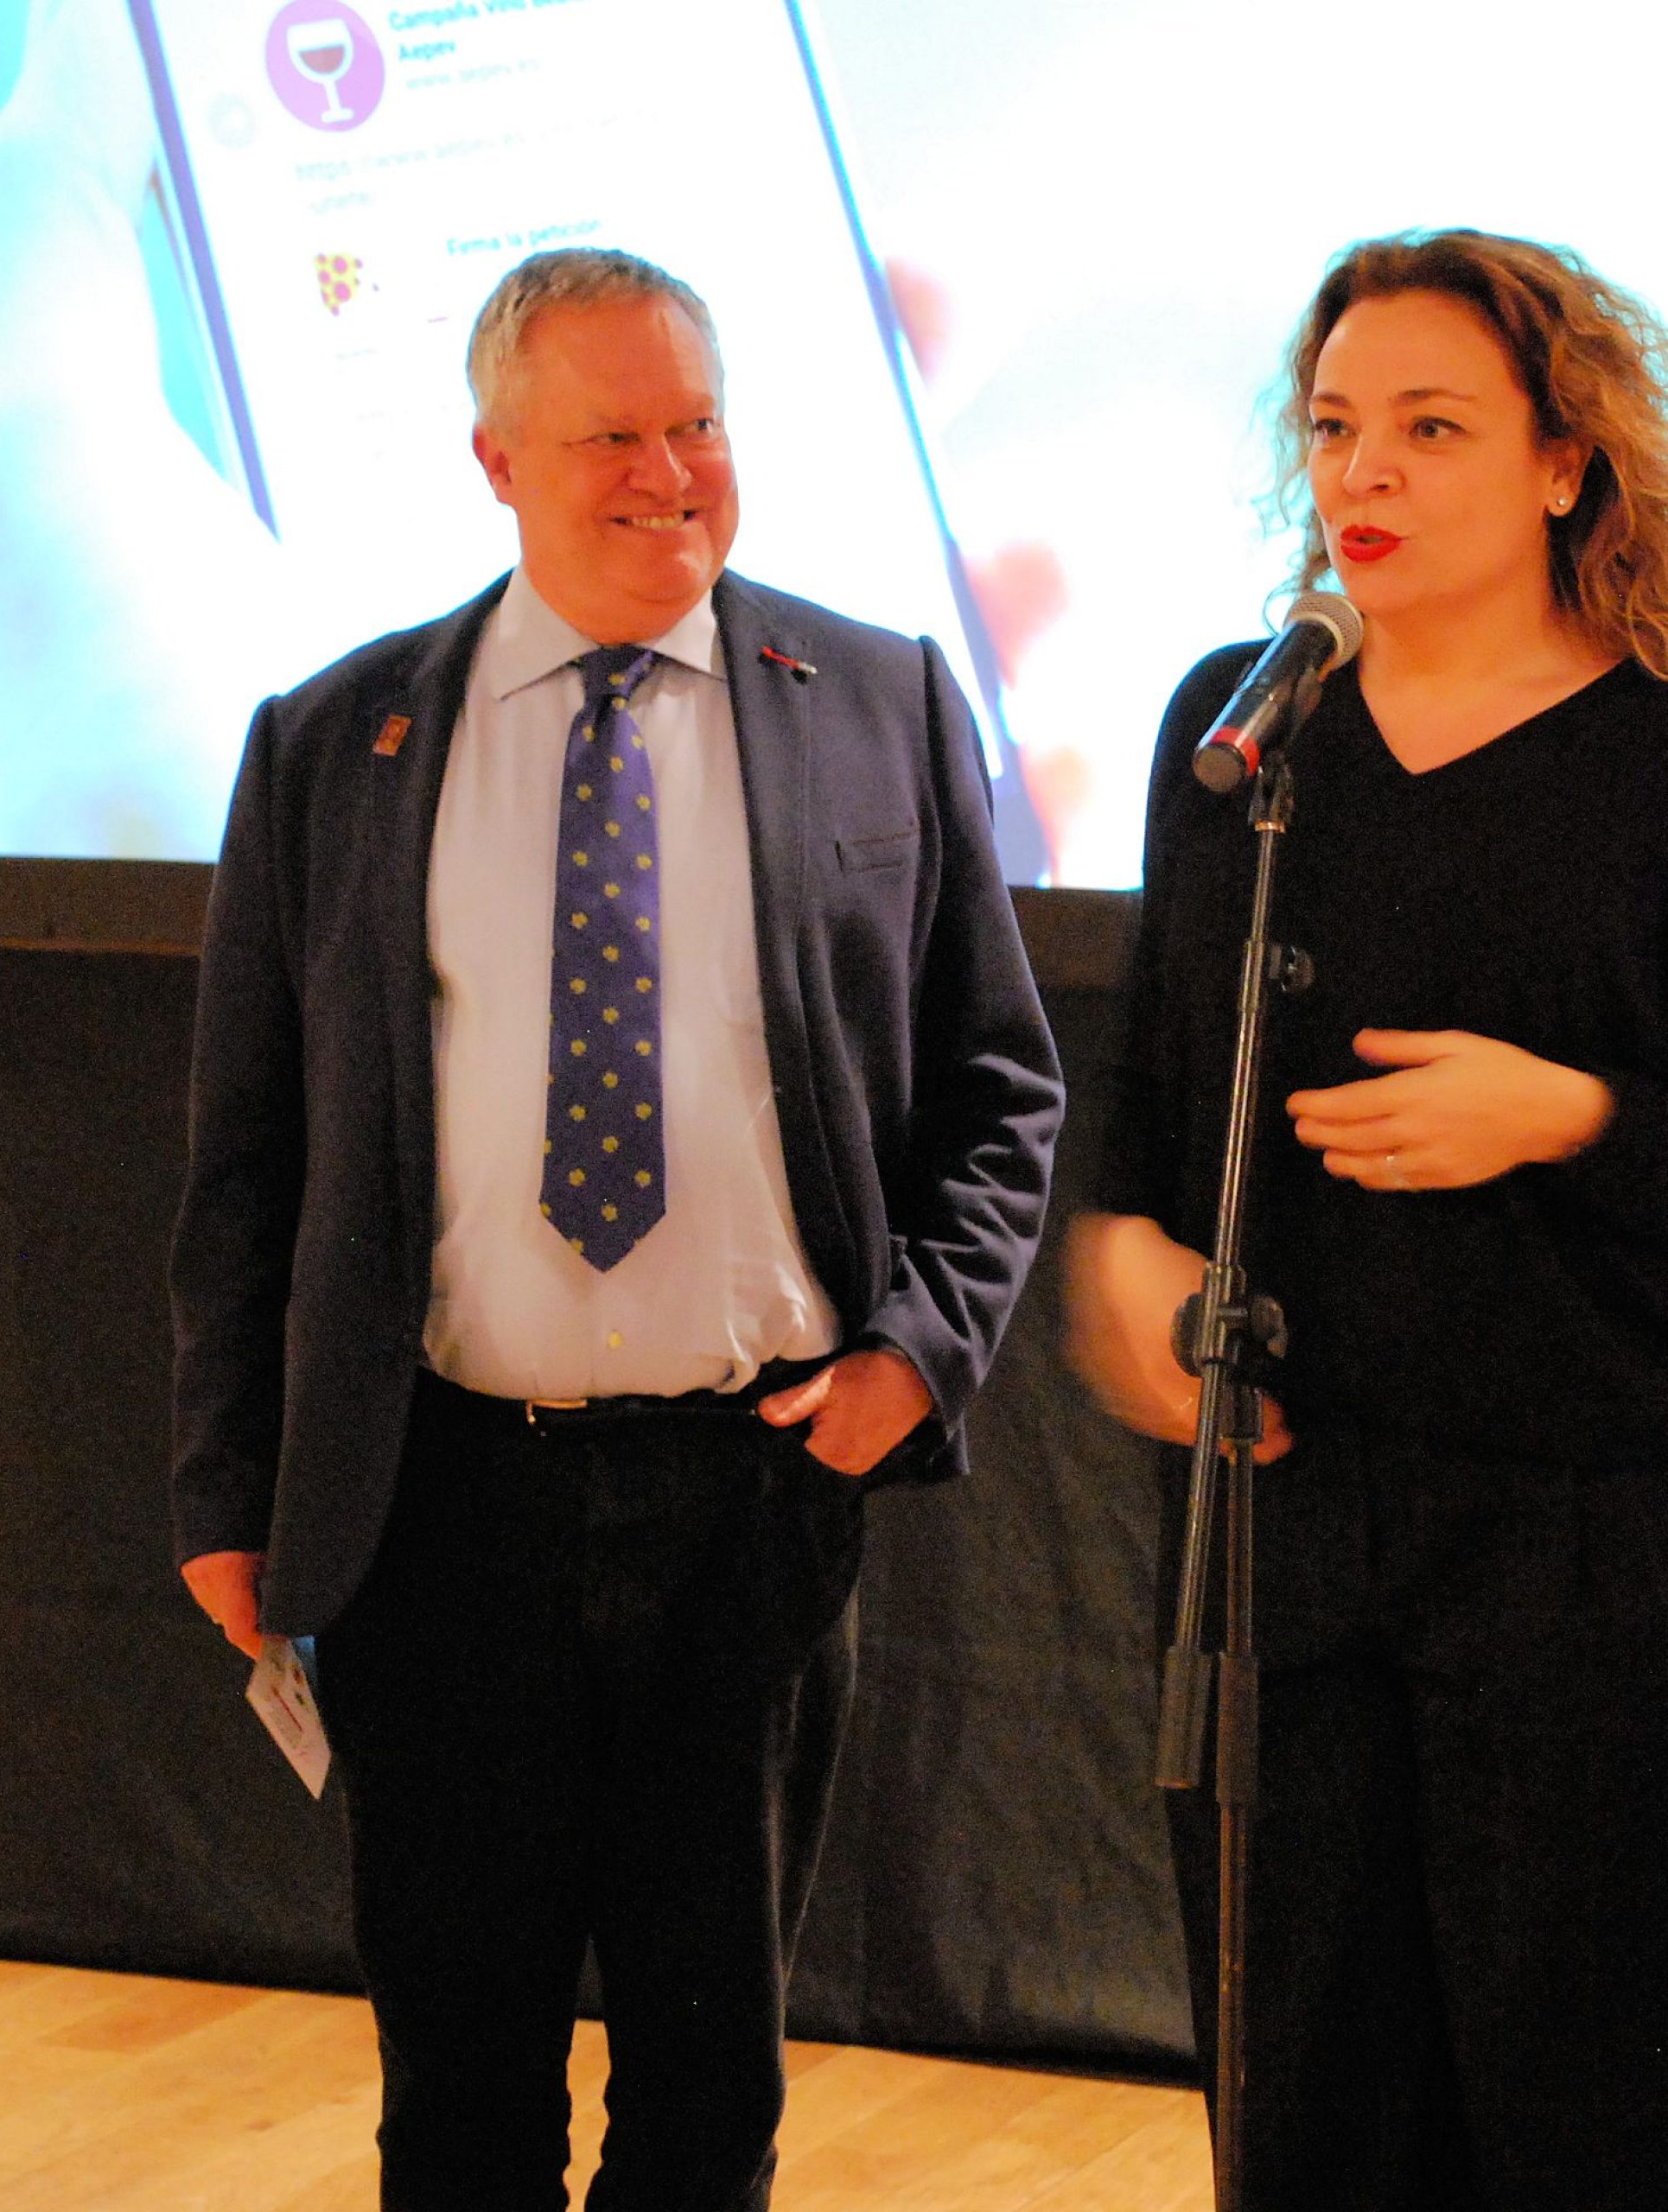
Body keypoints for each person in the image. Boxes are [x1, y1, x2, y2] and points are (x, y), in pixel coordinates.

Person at [170, 246, 1063, 2212]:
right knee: (459, 2098)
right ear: (496, 460)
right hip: (437, 1508)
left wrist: (916, 1358)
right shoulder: (334, 740)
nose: (670, 476)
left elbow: (1004, 1090)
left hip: (751, 1499)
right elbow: (250, 1156)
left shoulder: (878, 698)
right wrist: (227, 1488)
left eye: (698, 426)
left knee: (704, 2096)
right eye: (612, 439)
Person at [1066, 229, 1668, 2211]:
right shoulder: (1241, 736)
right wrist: (1125, 1253)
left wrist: (1567, 1114)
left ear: (1561, 462)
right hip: (1281, 1543)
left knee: (1600, 2125)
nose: (1364, 471)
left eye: (1428, 427)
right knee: (1313, 2121)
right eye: (1332, 425)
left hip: (1583, 1550)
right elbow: (1153, 1095)